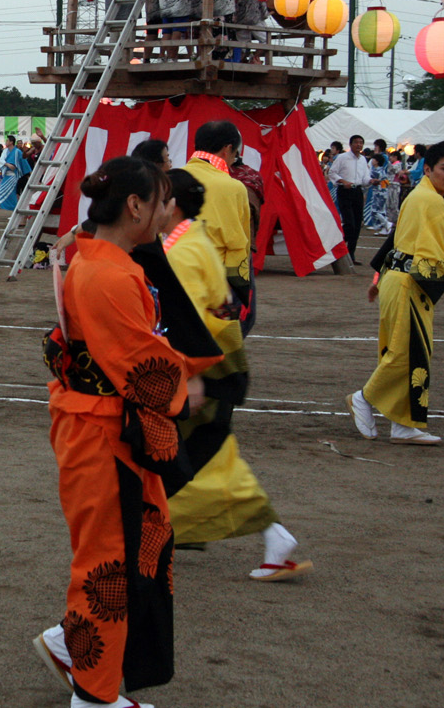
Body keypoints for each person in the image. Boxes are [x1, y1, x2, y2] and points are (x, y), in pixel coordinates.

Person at [33, 155, 212, 708]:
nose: (166, 212)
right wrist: (183, 382)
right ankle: (92, 695)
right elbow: (141, 362)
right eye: (161, 201)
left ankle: (73, 644)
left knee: (126, 550)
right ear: (134, 205)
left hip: (99, 426)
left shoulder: (106, 262)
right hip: (102, 432)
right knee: (108, 558)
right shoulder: (108, 273)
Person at [159, 169, 308, 581]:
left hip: (205, 370)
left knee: (195, 461)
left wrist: (191, 377)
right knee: (201, 460)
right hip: (214, 366)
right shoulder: (189, 239)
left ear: (171, 205)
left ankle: (272, 533)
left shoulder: (184, 250)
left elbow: (187, 323)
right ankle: (271, 535)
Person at [348, 139, 444, 446]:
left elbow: (396, 240)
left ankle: (403, 423)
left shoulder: (423, 195)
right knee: (405, 352)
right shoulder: (428, 199)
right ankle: (364, 397)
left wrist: (377, 278)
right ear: (428, 169)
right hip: (408, 281)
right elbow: (440, 249)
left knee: (409, 351)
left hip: (400, 278)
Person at [184, 122, 254, 325]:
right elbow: (239, 244)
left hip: (175, 272)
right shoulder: (233, 187)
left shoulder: (174, 177)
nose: (235, 158)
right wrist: (239, 288)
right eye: (236, 152)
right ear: (227, 149)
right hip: (215, 277)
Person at [329, 135, 370, 265]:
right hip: (345, 191)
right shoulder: (342, 158)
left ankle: (350, 254)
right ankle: (337, 245)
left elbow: (365, 179)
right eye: (356, 142)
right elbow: (332, 172)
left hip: (357, 191)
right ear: (350, 144)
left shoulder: (363, 160)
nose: (359, 145)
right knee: (349, 223)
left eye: (361, 143)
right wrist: (342, 181)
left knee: (357, 224)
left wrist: (372, 181)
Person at [0, 134, 28, 212]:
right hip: (6, 174)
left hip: (13, 175)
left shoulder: (17, 151)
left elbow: (23, 162)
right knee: (2, 191)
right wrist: (7, 164)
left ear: (11, 142)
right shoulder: (5, 151)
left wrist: (27, 172)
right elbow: (1, 160)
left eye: (7, 140)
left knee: (13, 193)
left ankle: (15, 209)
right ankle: (12, 208)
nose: (6, 142)